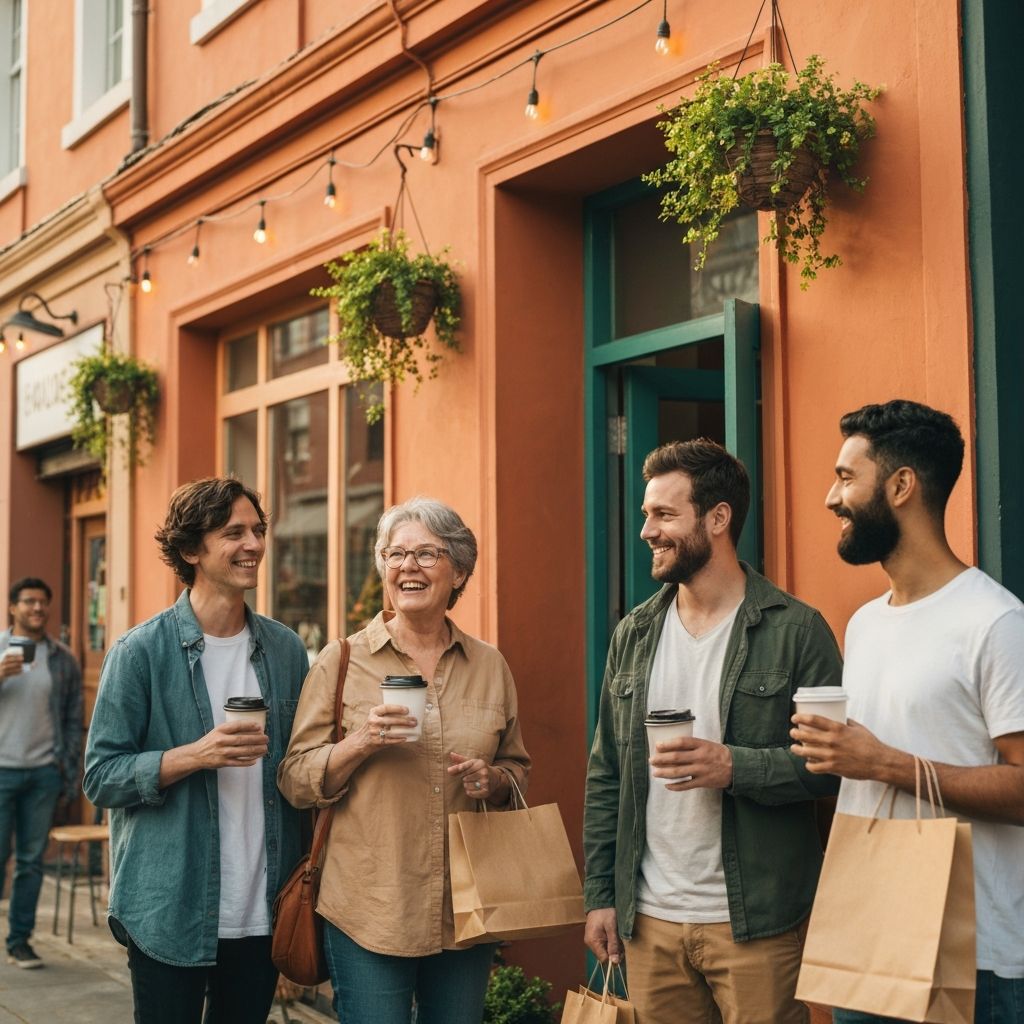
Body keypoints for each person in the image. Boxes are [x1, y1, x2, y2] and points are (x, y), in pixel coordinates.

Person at [583, 440, 843, 1024]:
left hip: (756, 923)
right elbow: (607, 773)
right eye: (646, 514)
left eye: (664, 514)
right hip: (649, 921)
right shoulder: (635, 633)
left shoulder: (797, 631)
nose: (646, 529)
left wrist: (735, 767)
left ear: (718, 518)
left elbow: (831, 769)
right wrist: (601, 894)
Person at [791, 399, 1024, 1023]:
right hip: (869, 928)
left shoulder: (995, 622)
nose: (829, 499)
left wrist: (885, 763)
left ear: (900, 486)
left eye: (846, 477)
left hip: (971, 952)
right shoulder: (865, 624)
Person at [278, 496, 530, 1024]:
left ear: (458, 570)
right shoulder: (341, 660)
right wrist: (361, 742)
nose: (407, 567)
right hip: (371, 908)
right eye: (395, 555)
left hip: (466, 910)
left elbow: (517, 769)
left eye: (426, 555)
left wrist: (495, 781)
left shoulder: (489, 665)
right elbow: (295, 778)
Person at [84, 478, 308, 1024]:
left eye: (258, 530)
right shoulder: (140, 652)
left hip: (262, 908)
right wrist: (195, 754)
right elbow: (101, 776)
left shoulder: (285, 649)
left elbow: (303, 763)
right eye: (233, 532)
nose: (253, 544)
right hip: (170, 906)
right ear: (190, 550)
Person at [0, 577, 83, 969]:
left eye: (43, 602)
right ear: (13, 607)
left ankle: (19, 940)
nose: (37, 608)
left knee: (31, 860)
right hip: (1, 771)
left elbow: (72, 717)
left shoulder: (62, 658)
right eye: (29, 601)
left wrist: (65, 766)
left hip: (43, 773)